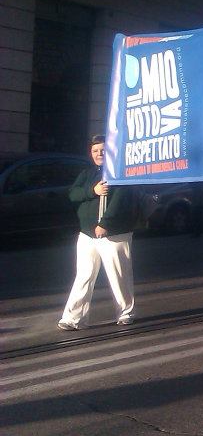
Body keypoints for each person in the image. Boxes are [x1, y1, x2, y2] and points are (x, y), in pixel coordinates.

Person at [58, 135, 137, 330]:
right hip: (86, 234)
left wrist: (105, 223)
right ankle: (73, 318)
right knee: (84, 275)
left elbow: (121, 200)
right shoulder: (87, 174)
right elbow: (72, 194)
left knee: (119, 275)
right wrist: (92, 190)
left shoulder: (120, 174)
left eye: (102, 150)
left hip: (114, 233)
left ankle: (126, 313)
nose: (99, 154)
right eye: (95, 151)